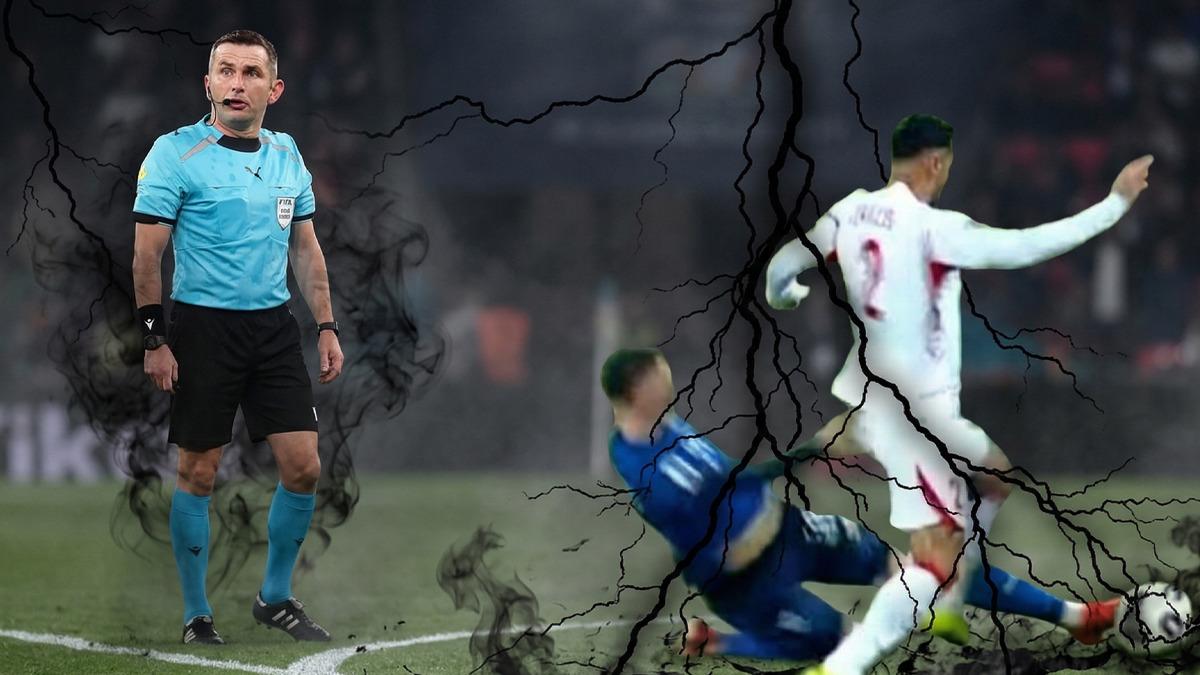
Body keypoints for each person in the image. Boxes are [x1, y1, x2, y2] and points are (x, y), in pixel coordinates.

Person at [764, 114, 1152, 675]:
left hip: (885, 401)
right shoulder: (935, 227)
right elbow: (1027, 246)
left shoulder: (849, 212)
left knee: (994, 477)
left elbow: (784, 264)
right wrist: (1114, 204)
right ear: (936, 161)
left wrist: (784, 293)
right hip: (916, 418)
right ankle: (844, 667)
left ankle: (1052, 614)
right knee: (932, 561)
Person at [600, 348, 1116, 662]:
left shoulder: (665, 424)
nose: (670, 377)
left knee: (927, 568)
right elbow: (728, 490)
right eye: (660, 373)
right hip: (746, 581)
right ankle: (714, 643)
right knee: (843, 643)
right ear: (639, 390)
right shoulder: (648, 472)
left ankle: (1076, 617)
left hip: (789, 532)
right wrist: (814, 449)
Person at [131, 29, 343, 645]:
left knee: (304, 467)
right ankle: (197, 614)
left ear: (274, 90)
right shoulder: (175, 153)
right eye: (225, 71)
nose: (236, 83)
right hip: (202, 329)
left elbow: (305, 250)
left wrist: (326, 326)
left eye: (251, 73)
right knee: (199, 472)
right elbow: (146, 257)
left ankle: (274, 597)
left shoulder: (286, 154)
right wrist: (154, 339)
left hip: (273, 329)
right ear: (208, 83)